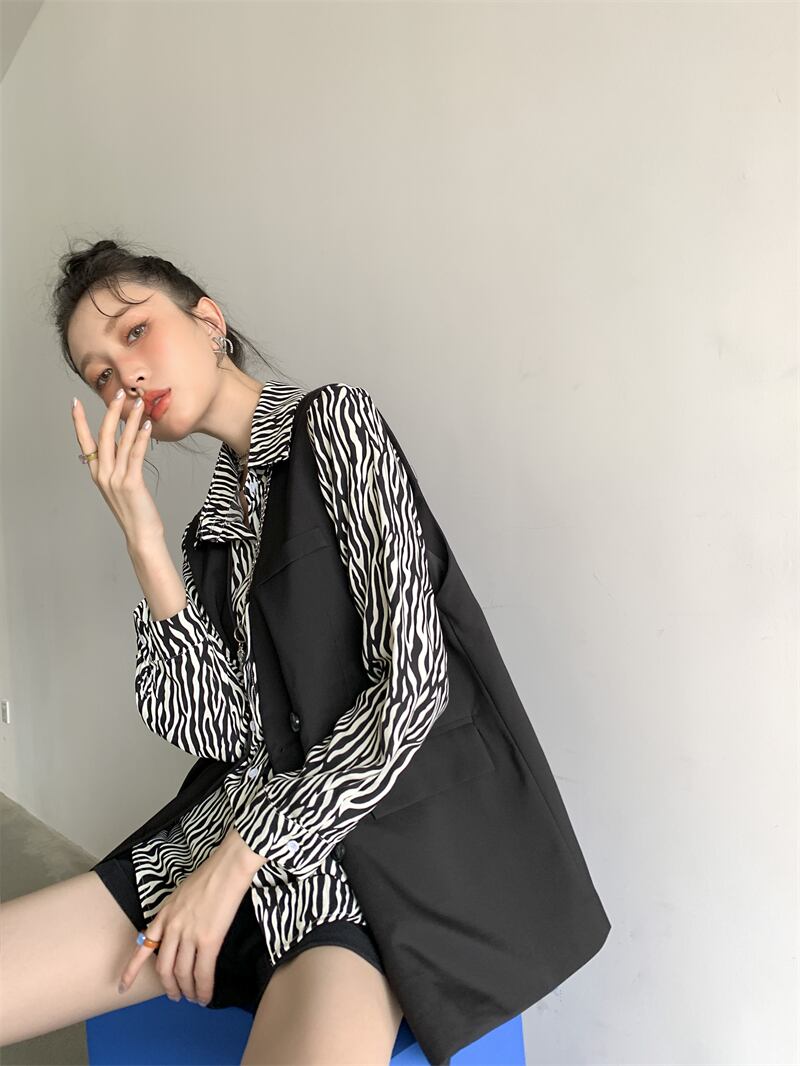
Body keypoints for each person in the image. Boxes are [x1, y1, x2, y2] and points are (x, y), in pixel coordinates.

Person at [0, 238, 409, 1064]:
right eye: (99, 375)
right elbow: (218, 731)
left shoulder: (336, 426)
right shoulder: (209, 537)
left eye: (135, 333)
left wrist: (239, 861)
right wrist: (144, 539)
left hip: (358, 870)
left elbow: (410, 689)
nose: (124, 377)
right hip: (206, 849)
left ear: (209, 322)